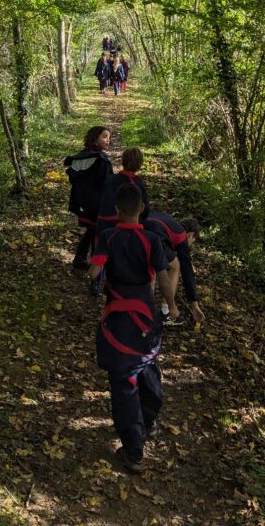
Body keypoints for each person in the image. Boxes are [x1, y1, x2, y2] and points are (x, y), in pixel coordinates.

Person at [88, 184, 178, 473]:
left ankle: (134, 450)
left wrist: (95, 278)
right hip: (146, 317)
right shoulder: (152, 239)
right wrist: (172, 305)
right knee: (148, 366)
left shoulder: (107, 236)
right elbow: (164, 277)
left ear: (116, 211)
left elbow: (94, 271)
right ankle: (148, 423)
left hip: (118, 318)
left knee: (124, 380)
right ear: (141, 209)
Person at [144, 212, 204, 325]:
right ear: (190, 235)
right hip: (152, 238)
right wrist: (194, 303)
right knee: (176, 265)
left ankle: (145, 310)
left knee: (151, 267)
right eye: (192, 241)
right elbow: (187, 270)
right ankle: (165, 312)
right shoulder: (181, 236)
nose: (189, 245)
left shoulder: (169, 221)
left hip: (137, 229)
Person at [65, 126, 112, 268]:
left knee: (91, 229)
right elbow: (108, 183)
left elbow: (73, 180)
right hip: (97, 203)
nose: (108, 140)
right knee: (97, 230)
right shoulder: (101, 159)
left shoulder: (80, 157)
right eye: (104, 136)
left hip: (82, 202)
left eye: (109, 137)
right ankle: (94, 264)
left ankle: (80, 259)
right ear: (95, 138)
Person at [96, 147, 151, 237]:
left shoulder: (110, 179)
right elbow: (146, 211)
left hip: (103, 223)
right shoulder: (137, 183)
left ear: (123, 161)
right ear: (140, 164)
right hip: (123, 225)